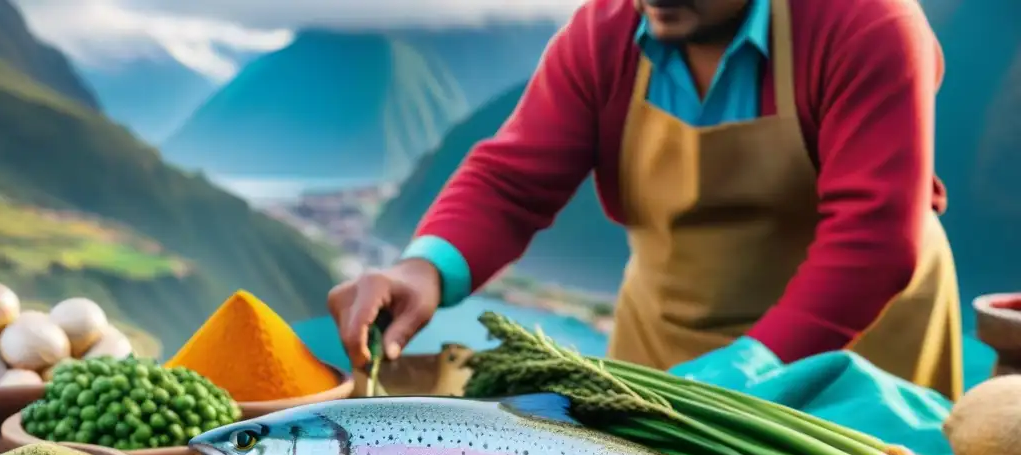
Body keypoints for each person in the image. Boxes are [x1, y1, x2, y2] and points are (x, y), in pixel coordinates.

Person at [329, 0, 963, 401]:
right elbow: (511, 181)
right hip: (666, 340)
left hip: (851, 351)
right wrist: (423, 269)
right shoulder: (604, 34)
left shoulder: (868, 24)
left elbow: (872, 240)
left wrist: (752, 370)